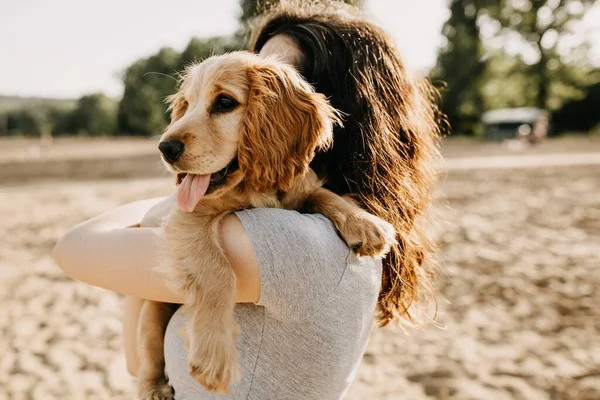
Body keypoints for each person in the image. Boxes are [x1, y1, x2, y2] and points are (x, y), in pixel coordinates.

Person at [53, 1, 442, 399]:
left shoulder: (293, 244)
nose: (259, 81)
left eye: (226, 103)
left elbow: (72, 248)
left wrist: (153, 212)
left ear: (294, 119)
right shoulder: (337, 230)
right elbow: (141, 361)